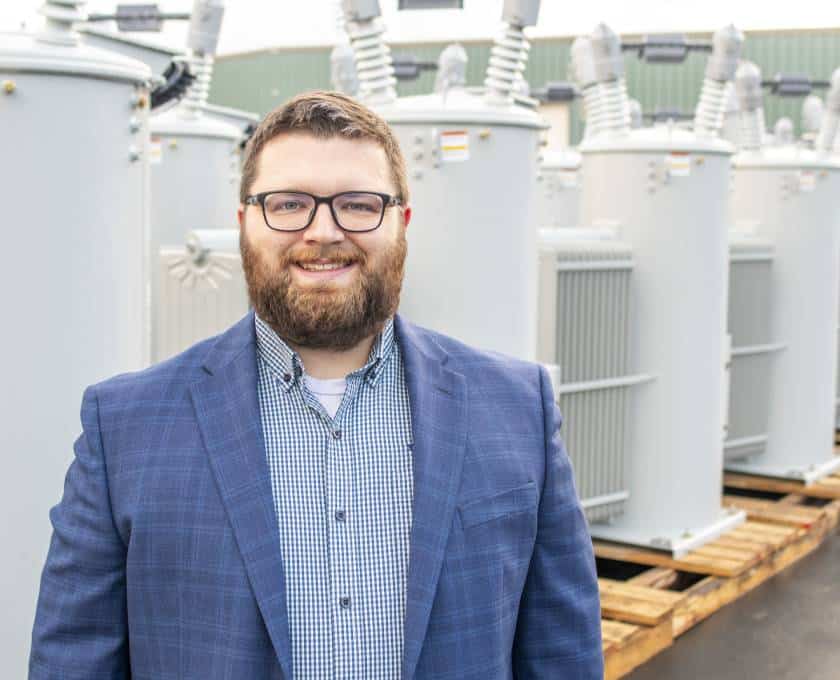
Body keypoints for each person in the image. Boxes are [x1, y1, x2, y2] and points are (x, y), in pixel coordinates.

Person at [29, 91, 603, 679]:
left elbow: (564, 658)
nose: (323, 231)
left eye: (358, 204)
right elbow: (72, 662)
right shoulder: (126, 428)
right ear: (245, 224)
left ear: (402, 223)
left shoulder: (515, 409)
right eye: (288, 203)